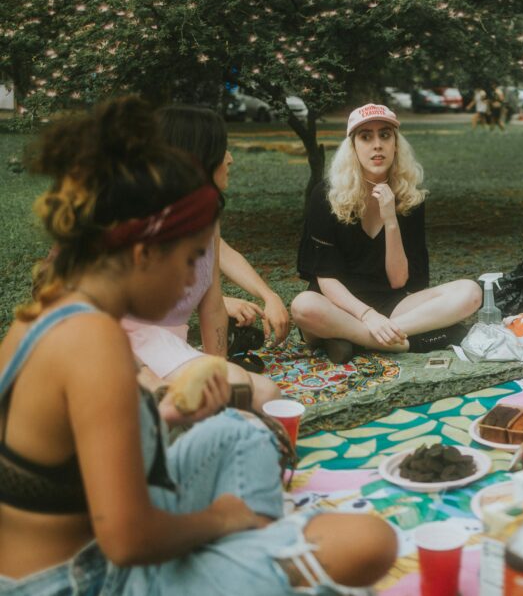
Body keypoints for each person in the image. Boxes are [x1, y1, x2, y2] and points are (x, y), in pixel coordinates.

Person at [0, 97, 397, 594]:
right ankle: (245, 554)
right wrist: (224, 517)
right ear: (144, 252)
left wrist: (168, 414)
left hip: (100, 528)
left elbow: (74, 449)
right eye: (191, 260)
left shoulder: (62, 311)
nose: (197, 279)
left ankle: (243, 553)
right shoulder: (91, 342)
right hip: (83, 576)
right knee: (365, 542)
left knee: (241, 429)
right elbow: (128, 540)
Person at [291, 103, 481, 362]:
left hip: (391, 303)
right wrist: (367, 316)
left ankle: (361, 340)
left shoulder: (410, 197)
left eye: (385, 135)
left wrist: (391, 219)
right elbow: (326, 279)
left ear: (396, 145)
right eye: (366, 137)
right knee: (303, 306)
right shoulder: (326, 195)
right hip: (338, 304)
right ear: (353, 147)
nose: (377, 144)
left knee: (470, 293)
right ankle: (396, 341)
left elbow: (399, 281)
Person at [120, 105, 280, 411]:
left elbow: (213, 306)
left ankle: (164, 401)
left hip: (166, 349)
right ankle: (149, 397)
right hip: (116, 349)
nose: (230, 158)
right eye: (222, 149)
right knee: (185, 396)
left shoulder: (208, 220)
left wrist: (218, 371)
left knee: (264, 394)